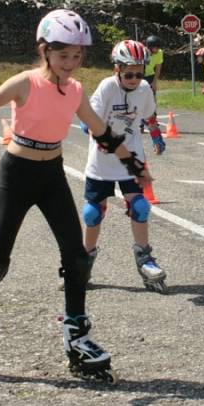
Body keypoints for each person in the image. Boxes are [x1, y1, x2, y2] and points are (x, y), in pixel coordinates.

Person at [0, 9, 150, 387]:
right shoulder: (24, 83)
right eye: (63, 55)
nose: (71, 64)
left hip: (51, 175)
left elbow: (102, 131)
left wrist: (133, 164)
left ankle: (78, 335)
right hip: (18, 174)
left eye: (77, 56)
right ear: (45, 50)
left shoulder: (73, 91)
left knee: (76, 257)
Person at [82, 39, 168, 293]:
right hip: (101, 162)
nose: (134, 78)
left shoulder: (143, 89)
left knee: (140, 207)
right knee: (92, 214)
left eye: (139, 73)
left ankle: (145, 260)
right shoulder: (107, 87)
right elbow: (90, 118)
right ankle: (83, 262)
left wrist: (156, 135)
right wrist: (93, 130)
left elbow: (149, 114)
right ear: (116, 69)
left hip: (131, 160)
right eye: (128, 73)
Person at [139, 35, 163, 133]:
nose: (157, 49)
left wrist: (154, 82)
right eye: (155, 47)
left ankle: (153, 120)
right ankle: (140, 122)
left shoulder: (159, 53)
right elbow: (139, 66)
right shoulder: (142, 52)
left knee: (152, 99)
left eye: (158, 47)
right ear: (149, 47)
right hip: (140, 75)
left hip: (150, 76)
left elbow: (158, 68)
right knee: (140, 99)